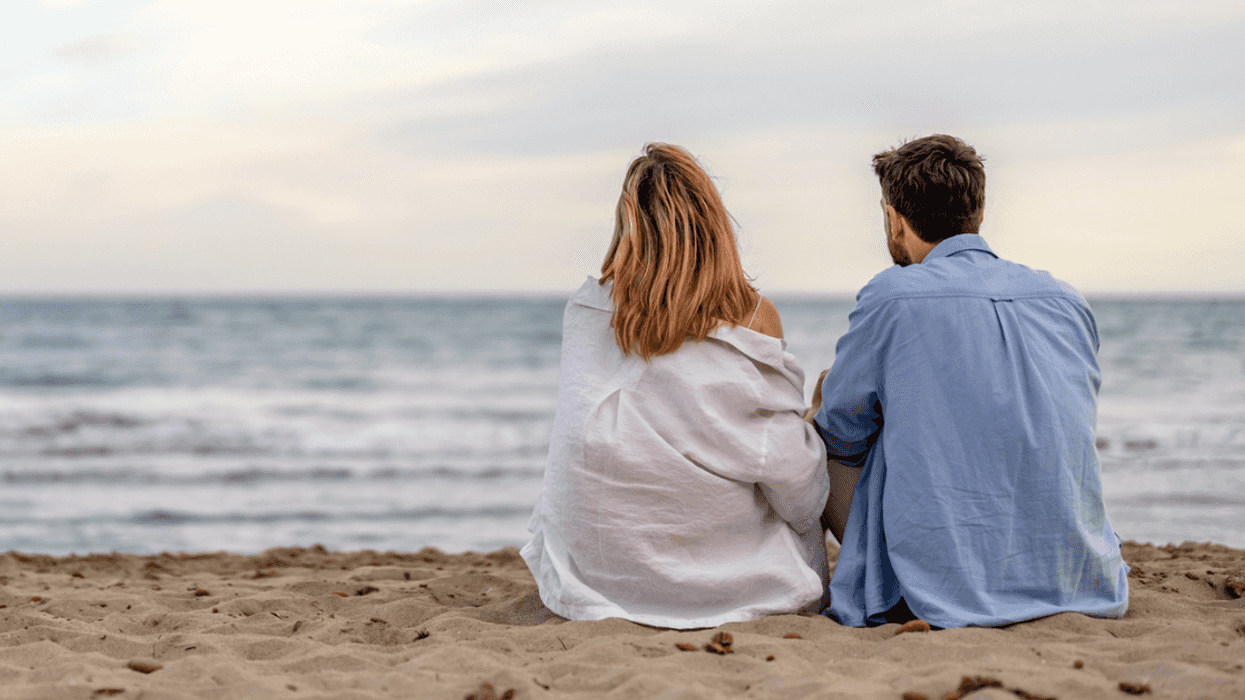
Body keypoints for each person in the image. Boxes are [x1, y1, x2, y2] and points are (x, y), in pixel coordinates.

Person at [810, 134, 1129, 629]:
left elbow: (841, 433)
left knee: (821, 428)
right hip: (1079, 579)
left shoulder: (893, 296)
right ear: (978, 212)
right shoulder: (1065, 299)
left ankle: (880, 584)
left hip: (942, 595)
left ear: (894, 218)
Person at [521, 143, 830, 629]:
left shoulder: (586, 311)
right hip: (716, 591)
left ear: (628, 226)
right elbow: (801, 496)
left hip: (587, 582)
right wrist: (816, 418)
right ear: (714, 225)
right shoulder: (750, 318)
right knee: (800, 472)